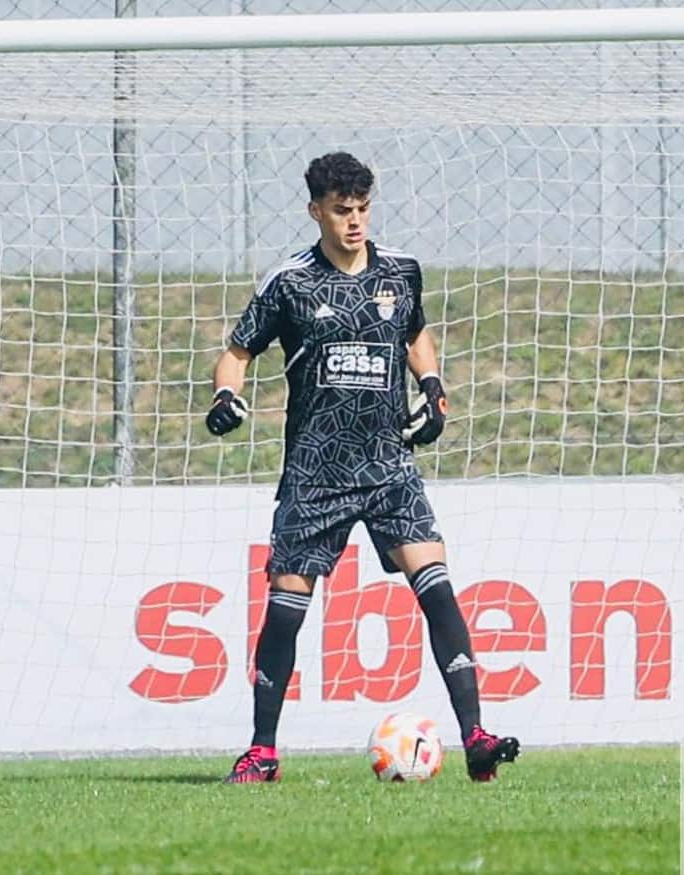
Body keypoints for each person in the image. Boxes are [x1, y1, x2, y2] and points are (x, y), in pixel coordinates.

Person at [206, 151, 520, 783]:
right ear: (316, 210)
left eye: (363, 209)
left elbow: (415, 336)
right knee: (286, 605)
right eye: (342, 210)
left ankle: (476, 737)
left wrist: (432, 389)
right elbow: (236, 353)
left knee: (435, 582)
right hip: (316, 471)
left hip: (387, 465)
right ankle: (263, 751)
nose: (355, 221)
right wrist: (226, 396)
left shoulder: (401, 272)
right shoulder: (290, 283)